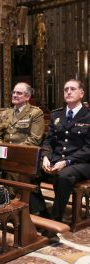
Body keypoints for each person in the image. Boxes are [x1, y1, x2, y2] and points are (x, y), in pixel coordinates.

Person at [36, 79, 90, 222]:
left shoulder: (88, 115)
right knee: (31, 172)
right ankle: (41, 213)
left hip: (81, 163)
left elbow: (88, 148)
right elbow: (49, 140)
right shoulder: (56, 115)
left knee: (64, 176)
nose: (68, 92)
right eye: (66, 89)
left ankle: (55, 219)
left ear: (81, 93)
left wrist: (67, 161)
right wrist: (45, 157)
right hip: (56, 159)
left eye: (72, 89)